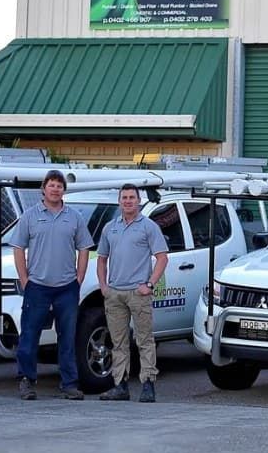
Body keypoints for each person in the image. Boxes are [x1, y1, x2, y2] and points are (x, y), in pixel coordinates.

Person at [10, 169, 94, 400]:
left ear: (63, 190)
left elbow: (84, 248)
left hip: (67, 287)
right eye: (52, 185)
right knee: (29, 335)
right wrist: (25, 280)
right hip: (37, 286)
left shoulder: (74, 217)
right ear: (43, 189)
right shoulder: (29, 216)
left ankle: (69, 384)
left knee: (67, 337)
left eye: (59, 185)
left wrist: (79, 278)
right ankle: (27, 380)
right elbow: (18, 248)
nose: (55, 189)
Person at [96, 184, 168, 403]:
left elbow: (162, 257)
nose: (127, 201)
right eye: (124, 198)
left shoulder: (149, 226)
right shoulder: (110, 227)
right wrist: (103, 286)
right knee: (118, 342)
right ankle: (120, 385)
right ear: (119, 201)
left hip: (139, 293)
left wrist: (150, 284)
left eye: (131, 197)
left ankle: (148, 385)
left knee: (144, 340)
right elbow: (101, 259)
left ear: (139, 201)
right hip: (115, 293)